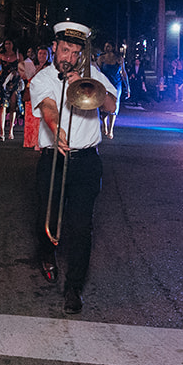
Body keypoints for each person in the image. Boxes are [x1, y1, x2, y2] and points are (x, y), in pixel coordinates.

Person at [29, 21, 117, 315]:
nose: (68, 57)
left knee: (81, 227)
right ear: (54, 47)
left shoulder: (93, 75)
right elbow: (48, 108)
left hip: (87, 162)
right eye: (65, 49)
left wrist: (89, 84)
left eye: (75, 52)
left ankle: (74, 288)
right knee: (46, 216)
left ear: (82, 54)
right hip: (53, 159)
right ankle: (46, 251)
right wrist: (56, 129)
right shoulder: (42, 78)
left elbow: (112, 107)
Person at [0, 40, 24, 141]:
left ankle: (11, 130)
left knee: (13, 106)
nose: (8, 46)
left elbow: (22, 68)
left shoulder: (18, 55)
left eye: (10, 44)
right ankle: (2, 131)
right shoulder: (0, 55)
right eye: (6, 44)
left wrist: (18, 74)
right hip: (4, 81)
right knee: (2, 105)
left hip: (14, 81)